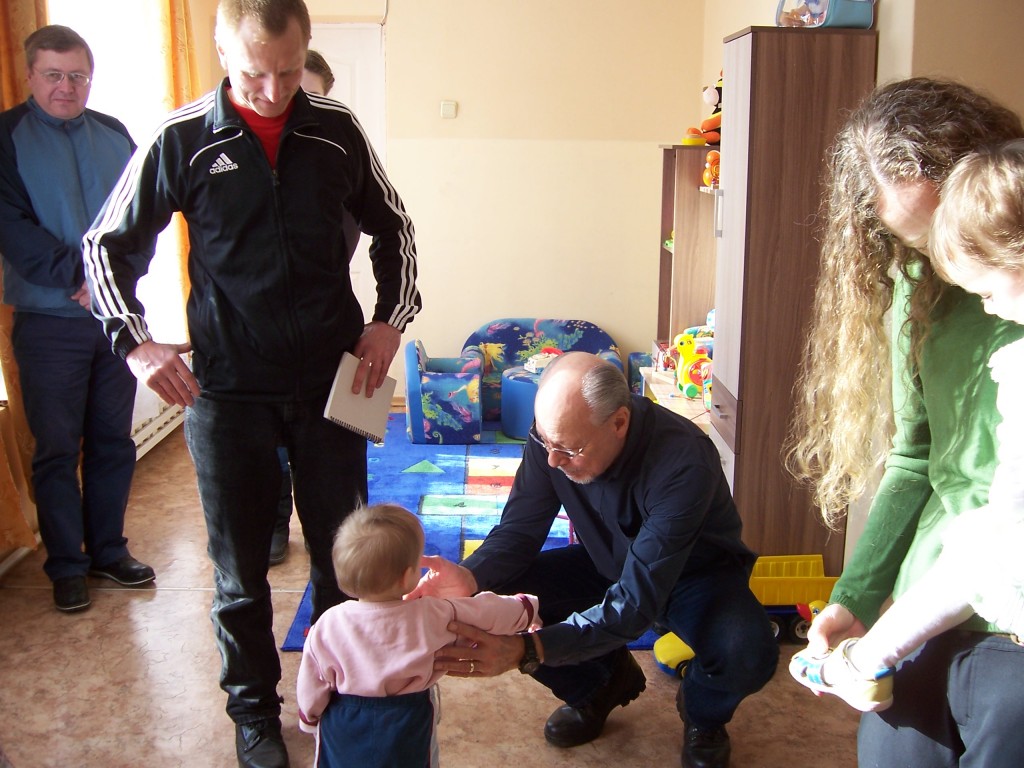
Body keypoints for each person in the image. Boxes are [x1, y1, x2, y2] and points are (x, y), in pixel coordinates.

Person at [82, 1, 421, 765]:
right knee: (240, 573)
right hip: (229, 390)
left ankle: (345, 690)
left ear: (307, 51)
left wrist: (388, 318)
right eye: (252, 73)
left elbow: (395, 226)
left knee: (349, 560)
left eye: (289, 70)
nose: (272, 90)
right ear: (221, 52)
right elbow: (105, 248)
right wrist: (136, 344)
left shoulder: (335, 129)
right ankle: (254, 714)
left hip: (333, 382)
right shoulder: (182, 139)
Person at [784, 78, 1024, 766]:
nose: (946, 267)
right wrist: (855, 603)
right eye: (921, 250)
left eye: (961, 241)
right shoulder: (917, 295)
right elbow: (915, 460)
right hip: (940, 589)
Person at [406, 352, 778, 768]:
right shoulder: (553, 438)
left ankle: (703, 713)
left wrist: (526, 650)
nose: (552, 460)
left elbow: (636, 603)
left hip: (694, 578)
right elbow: (519, 532)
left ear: (619, 422)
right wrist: (470, 579)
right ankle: (600, 684)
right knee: (493, 600)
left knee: (748, 652)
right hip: (608, 562)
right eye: (545, 442)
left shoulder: (684, 461)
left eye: (568, 449)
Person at [0, 25, 155, 614]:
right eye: (54, 75)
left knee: (115, 441)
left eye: (78, 76)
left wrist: (115, 282)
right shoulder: (5, 138)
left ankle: (109, 552)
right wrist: (83, 279)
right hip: (48, 324)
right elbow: (13, 229)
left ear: (91, 78)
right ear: (30, 75)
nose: (67, 87)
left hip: (117, 320)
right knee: (58, 450)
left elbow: (144, 216)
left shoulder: (114, 133)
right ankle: (67, 565)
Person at [297, 503, 539, 767]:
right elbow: (486, 612)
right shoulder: (434, 615)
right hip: (410, 718)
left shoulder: (329, 624)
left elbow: (313, 679)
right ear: (407, 577)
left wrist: (309, 718)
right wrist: (526, 607)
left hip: (344, 722)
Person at [270, 52, 336, 566]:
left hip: (325, 345)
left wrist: (383, 323)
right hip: (254, 357)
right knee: (268, 455)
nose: (283, 100)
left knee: (331, 488)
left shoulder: (337, 149)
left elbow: (386, 228)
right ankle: (274, 524)